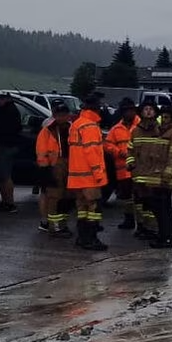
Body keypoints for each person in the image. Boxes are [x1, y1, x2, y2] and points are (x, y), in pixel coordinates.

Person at [130, 98, 172, 248]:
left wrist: (167, 174)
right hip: (158, 178)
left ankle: (166, 238)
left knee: (164, 211)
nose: (164, 119)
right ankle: (163, 237)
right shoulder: (163, 132)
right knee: (161, 211)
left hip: (165, 179)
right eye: (163, 117)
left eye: (167, 117)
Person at [67, 95, 110, 250]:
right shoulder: (90, 126)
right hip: (89, 177)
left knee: (81, 208)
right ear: (96, 109)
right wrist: (99, 174)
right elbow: (92, 152)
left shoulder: (77, 124)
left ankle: (82, 238)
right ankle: (91, 239)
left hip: (76, 177)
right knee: (93, 209)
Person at [35, 101, 74, 236]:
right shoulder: (47, 130)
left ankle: (62, 225)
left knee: (67, 197)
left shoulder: (73, 129)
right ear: (54, 115)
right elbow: (41, 152)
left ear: (68, 116)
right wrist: (45, 170)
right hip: (54, 166)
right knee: (54, 197)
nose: (62, 117)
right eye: (59, 115)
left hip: (70, 165)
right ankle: (54, 227)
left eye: (64, 115)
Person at [107, 98, 139, 232]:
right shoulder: (116, 129)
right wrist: (119, 152)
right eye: (127, 111)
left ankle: (142, 223)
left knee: (140, 197)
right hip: (123, 170)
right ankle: (129, 219)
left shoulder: (141, 126)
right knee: (126, 197)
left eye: (131, 110)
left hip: (139, 169)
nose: (129, 113)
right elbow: (108, 144)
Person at [0, 94, 22, 212]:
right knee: (3, 176)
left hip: (6, 146)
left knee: (5, 176)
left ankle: (9, 203)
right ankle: (6, 202)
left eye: (0, 99)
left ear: (7, 99)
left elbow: (5, 130)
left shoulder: (8, 111)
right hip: (7, 146)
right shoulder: (10, 110)